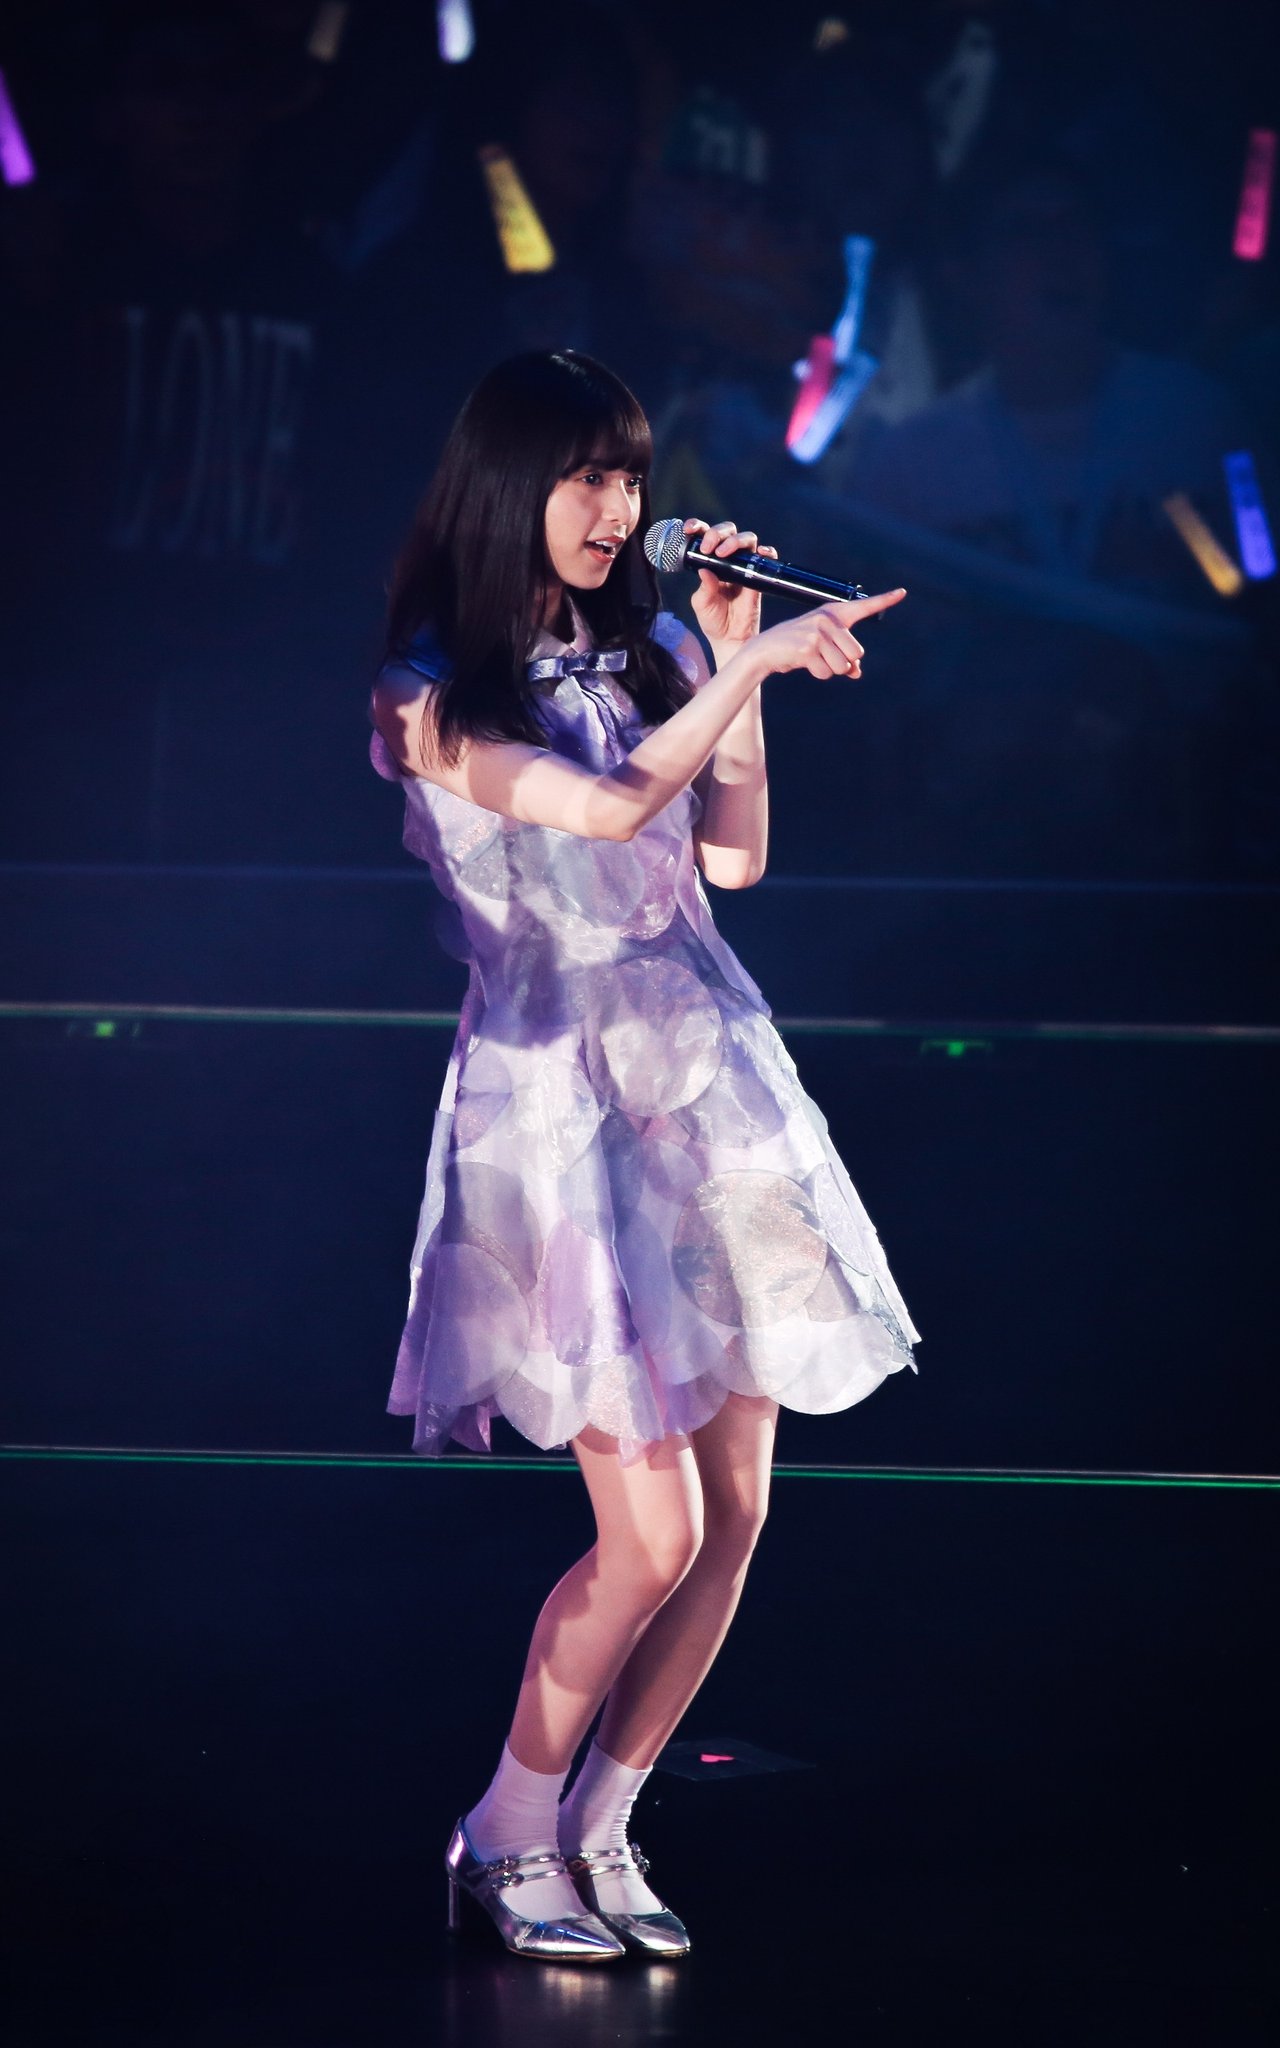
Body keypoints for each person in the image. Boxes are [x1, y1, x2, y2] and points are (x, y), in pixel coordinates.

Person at [369, 350, 917, 1963]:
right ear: (506, 486)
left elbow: (727, 861)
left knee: (734, 1514)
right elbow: (607, 817)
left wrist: (730, 669)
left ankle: (601, 1826)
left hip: (711, 1086)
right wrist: (745, 678)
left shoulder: (657, 649)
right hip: (561, 1109)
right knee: (651, 1533)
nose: (617, 508)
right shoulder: (427, 695)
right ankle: (506, 1823)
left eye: (629, 475)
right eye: (586, 476)